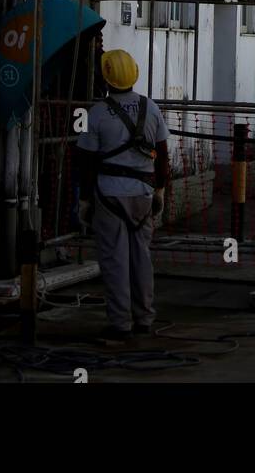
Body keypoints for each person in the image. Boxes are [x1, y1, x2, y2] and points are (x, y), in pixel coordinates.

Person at [76, 48, 170, 339]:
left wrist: (84, 200)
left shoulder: (96, 113)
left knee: (115, 261)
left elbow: (86, 162)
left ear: (106, 78)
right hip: (143, 194)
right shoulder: (151, 108)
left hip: (109, 195)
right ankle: (144, 319)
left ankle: (120, 324)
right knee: (141, 258)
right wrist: (161, 191)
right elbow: (163, 155)